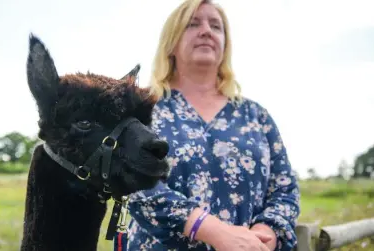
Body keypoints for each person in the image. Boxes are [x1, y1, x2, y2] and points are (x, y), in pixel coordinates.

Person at [126, 0, 300, 250]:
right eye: (193, 24)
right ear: (171, 42)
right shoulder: (143, 109)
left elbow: (284, 188)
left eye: (216, 26)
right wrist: (213, 231)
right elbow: (133, 182)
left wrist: (264, 235)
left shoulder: (256, 116)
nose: (206, 30)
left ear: (225, 45)